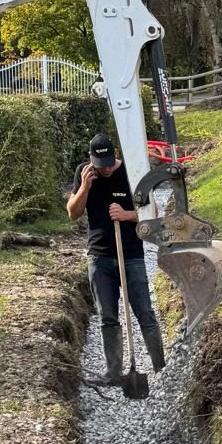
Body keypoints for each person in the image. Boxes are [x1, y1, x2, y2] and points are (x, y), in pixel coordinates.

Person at [67, 133, 166, 380]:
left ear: (116, 156)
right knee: (108, 316)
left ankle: (161, 368)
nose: (107, 170)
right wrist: (85, 187)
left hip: (132, 256)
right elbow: (73, 213)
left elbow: (152, 212)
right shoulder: (84, 173)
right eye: (101, 166)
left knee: (144, 312)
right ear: (91, 160)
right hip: (99, 257)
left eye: (110, 164)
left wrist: (127, 215)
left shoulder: (131, 173)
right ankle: (113, 372)